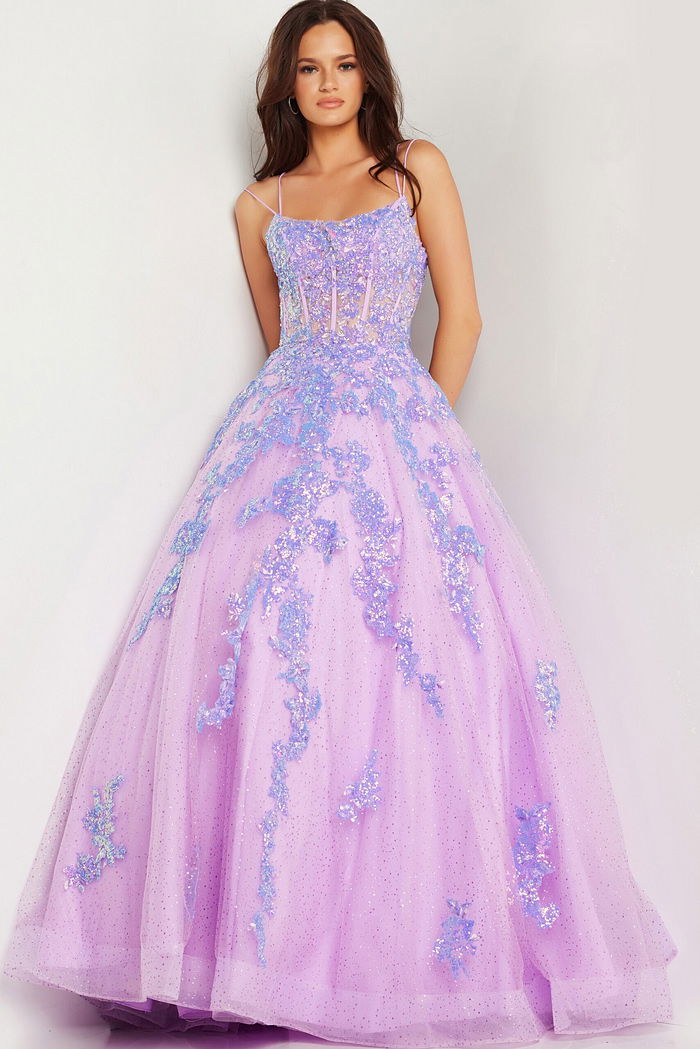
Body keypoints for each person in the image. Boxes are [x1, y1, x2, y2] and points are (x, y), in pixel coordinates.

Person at [3, 1, 678, 1045]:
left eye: (345, 64)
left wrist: (417, 437)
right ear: (286, 85)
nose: (328, 83)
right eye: (310, 67)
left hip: (397, 433)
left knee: (405, 672)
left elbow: (463, 315)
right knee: (264, 661)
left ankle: (384, 953)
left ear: (369, 77)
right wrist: (327, 421)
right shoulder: (258, 205)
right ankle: (260, 951)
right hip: (277, 444)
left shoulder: (416, 172)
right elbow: (284, 345)